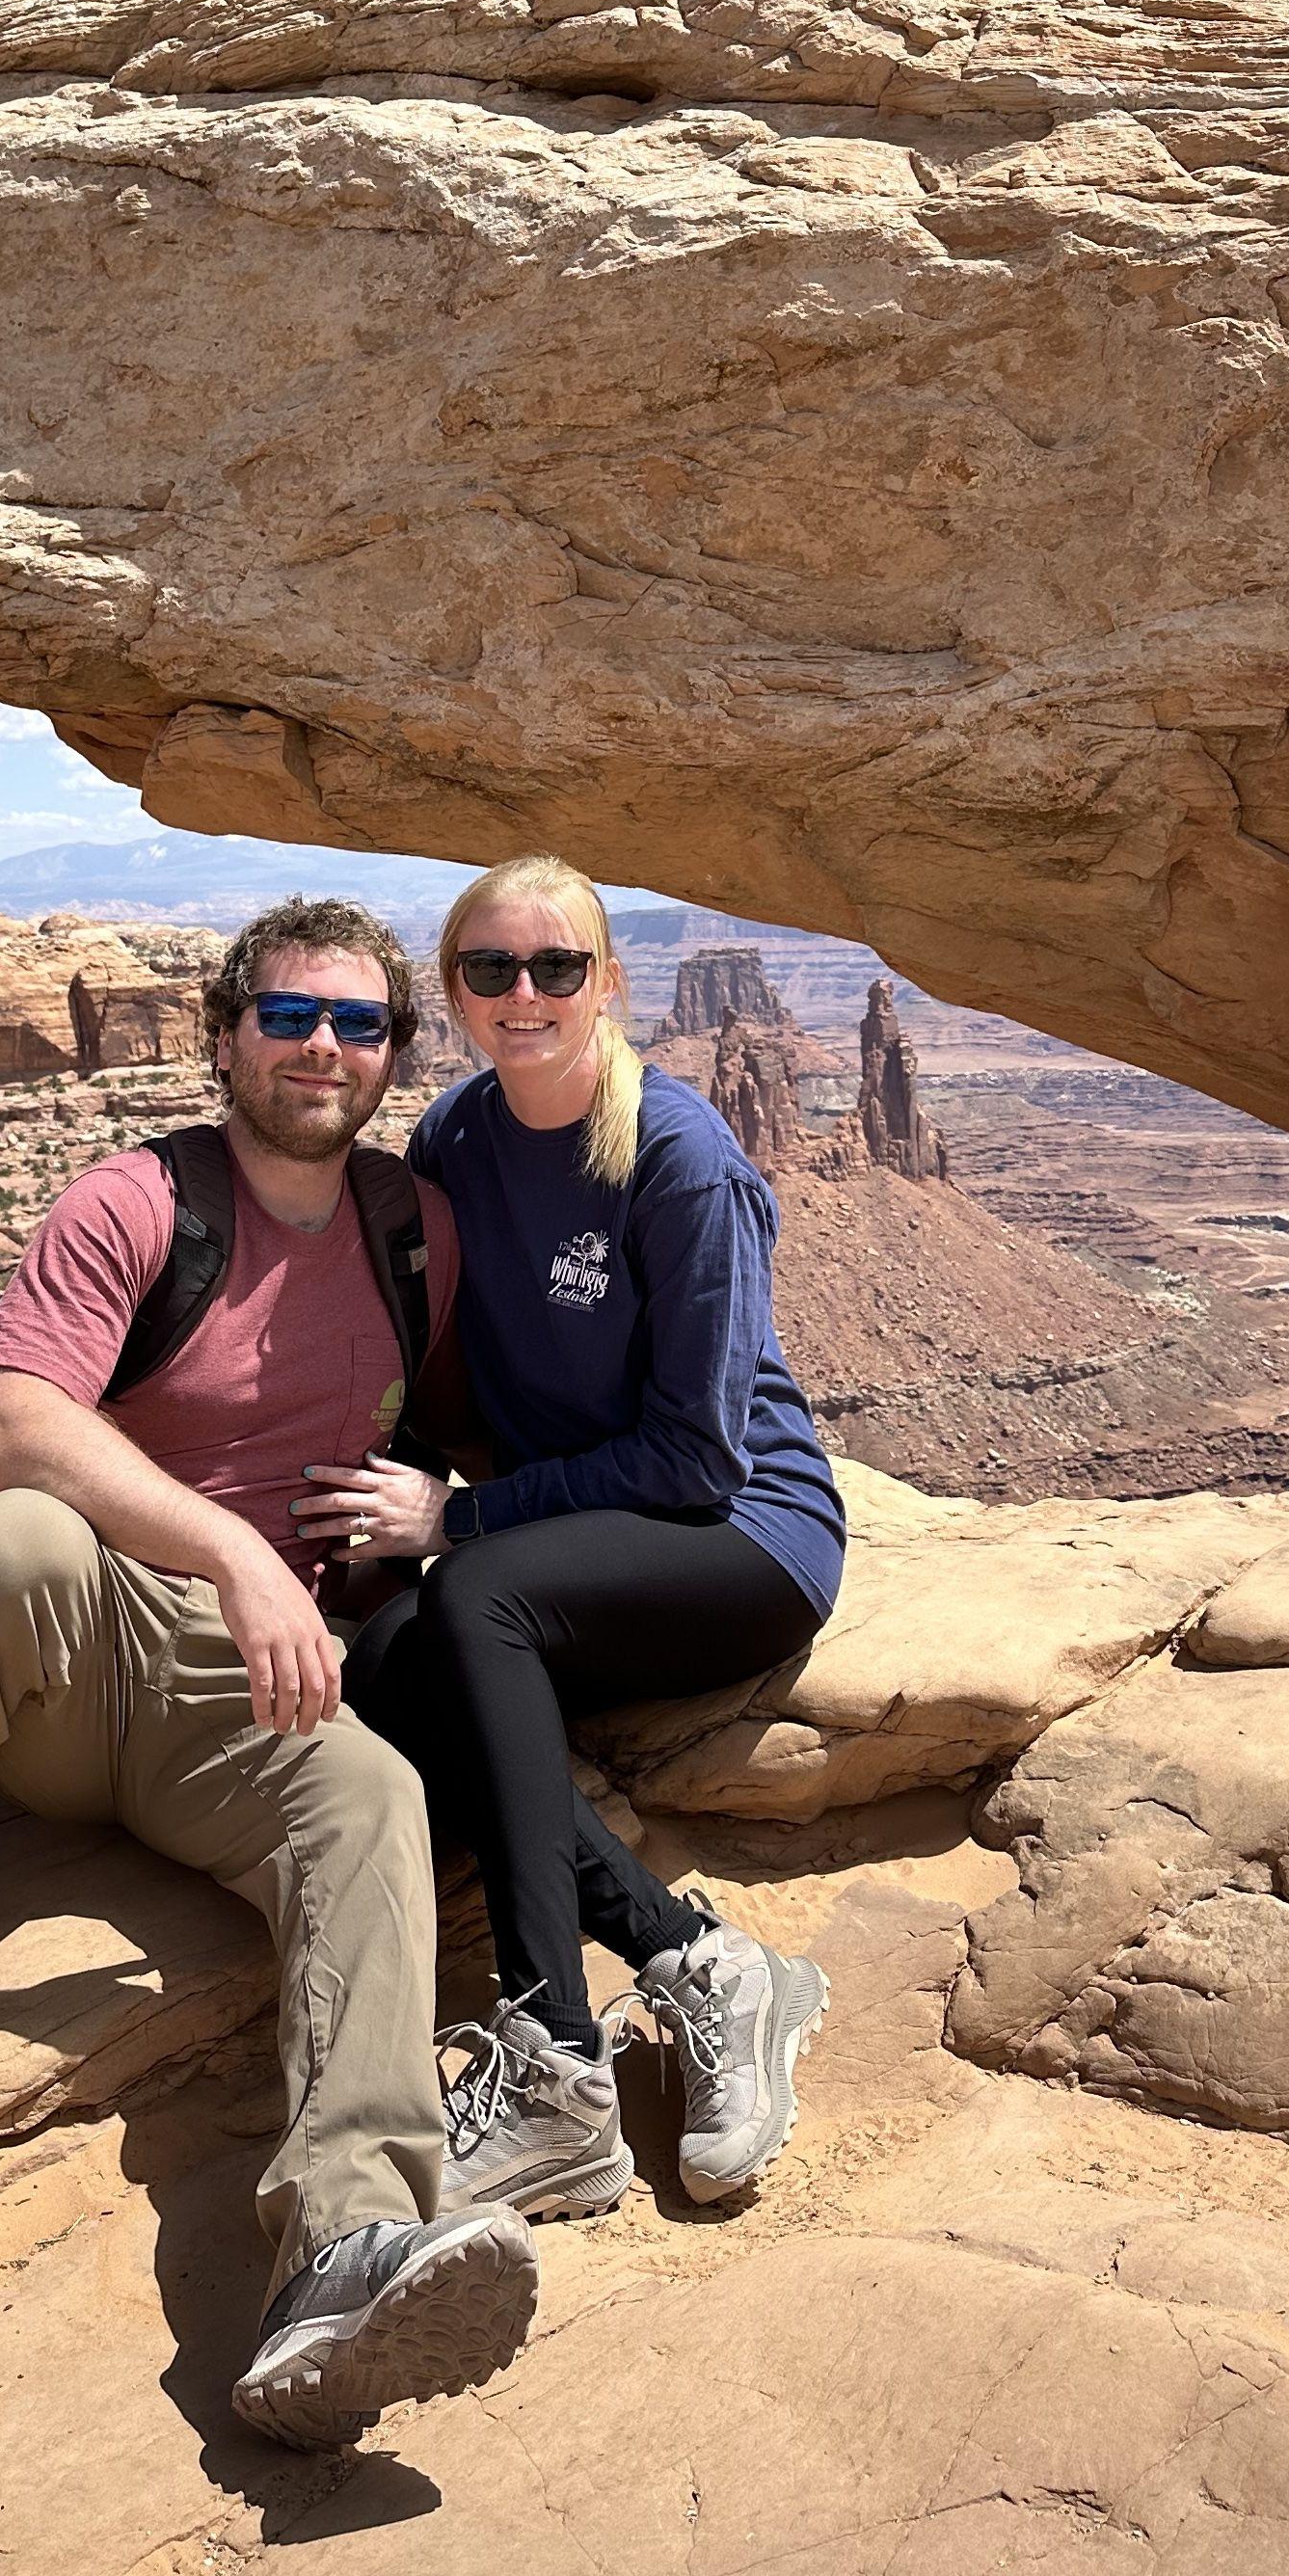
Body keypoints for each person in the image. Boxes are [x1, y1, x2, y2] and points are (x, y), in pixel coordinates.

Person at [0, 896, 539, 2450]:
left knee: (374, 1801)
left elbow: (455, 1428)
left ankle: (344, 2256)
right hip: (82, 1655)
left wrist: (452, 1518)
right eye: (287, 1017)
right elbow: (6, 1428)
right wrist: (237, 1553)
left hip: (248, 1703)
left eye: (358, 1024)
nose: (322, 1048)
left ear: (394, 1054)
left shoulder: (418, 1230)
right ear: (223, 1037)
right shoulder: (135, 1202)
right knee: (14, 1548)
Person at [297, 857, 842, 2227]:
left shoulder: (677, 1158)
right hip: (567, 1549)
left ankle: (556, 2067)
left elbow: (701, 1455)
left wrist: (460, 1518)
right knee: (394, 1672)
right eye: (491, 971)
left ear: (609, 983)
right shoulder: (460, 1145)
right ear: (458, 995)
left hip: (740, 1539)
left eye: (555, 969)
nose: (523, 995)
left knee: (468, 1595)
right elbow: (428, 1371)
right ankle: (704, 1961)